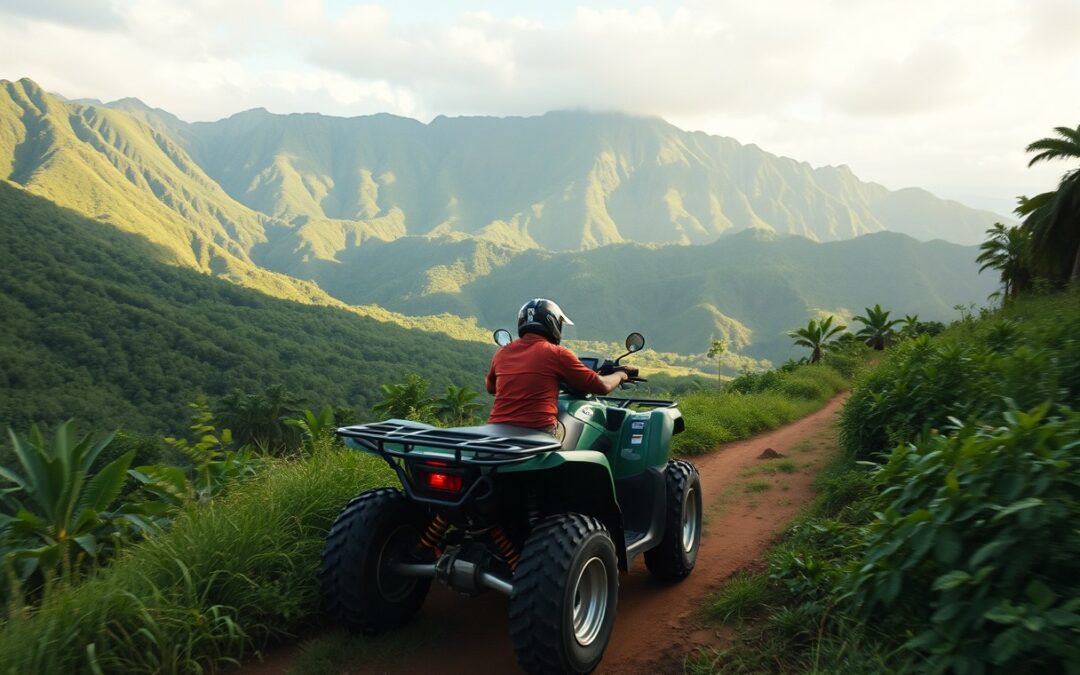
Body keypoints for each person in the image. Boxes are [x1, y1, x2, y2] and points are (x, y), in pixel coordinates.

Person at [485, 298, 631, 435]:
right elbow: (601, 386)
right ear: (553, 324)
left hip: (498, 430)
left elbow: (491, 388)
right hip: (538, 431)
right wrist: (620, 375)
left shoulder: (502, 353)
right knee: (577, 432)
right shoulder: (556, 353)